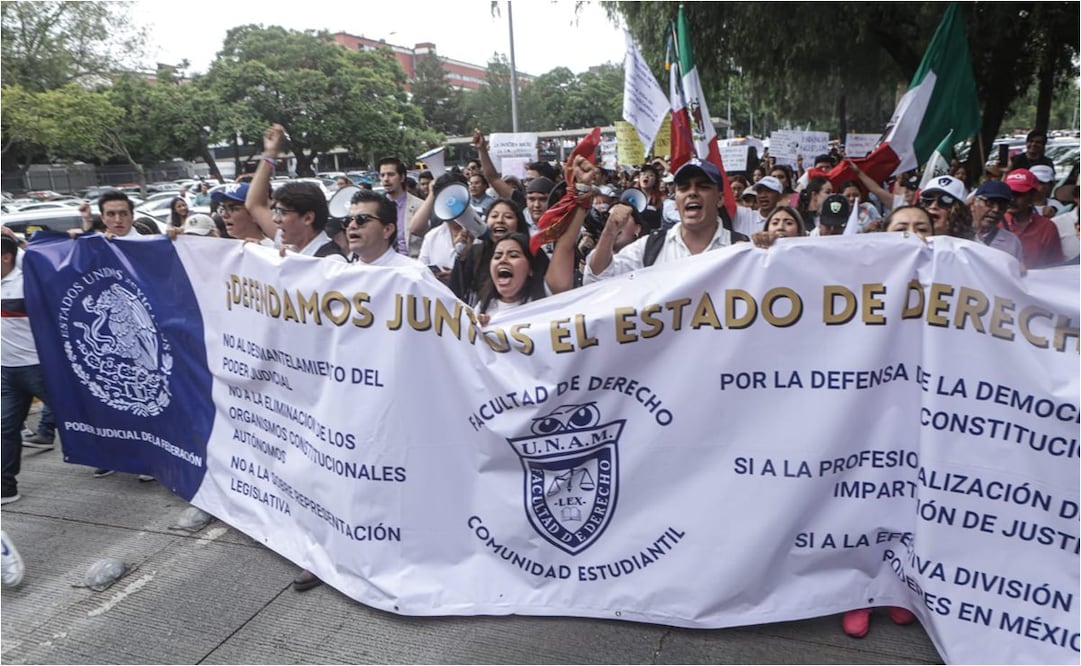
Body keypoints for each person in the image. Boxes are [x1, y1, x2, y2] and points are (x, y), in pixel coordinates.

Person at [584, 159, 734, 282]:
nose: (692, 193)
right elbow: (597, 277)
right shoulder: (650, 248)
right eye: (684, 188)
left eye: (703, 187)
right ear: (675, 200)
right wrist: (610, 230)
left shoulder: (739, 249)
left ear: (720, 199)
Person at [246, 124, 345, 261]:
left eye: (283, 213)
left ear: (308, 218)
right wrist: (270, 153)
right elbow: (254, 204)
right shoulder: (286, 244)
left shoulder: (331, 261)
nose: (275, 219)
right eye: (276, 212)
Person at [1, 236, 51, 504]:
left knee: (76, 417)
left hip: (38, 369)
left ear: (6, 257)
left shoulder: (27, 284)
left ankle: (121, 458)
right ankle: (6, 487)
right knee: (6, 429)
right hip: (7, 373)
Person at [449, 198, 541, 306]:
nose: (500, 220)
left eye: (508, 217)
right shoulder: (474, 252)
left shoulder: (534, 252)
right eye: (494, 216)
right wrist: (462, 256)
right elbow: (456, 291)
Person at [1001, 168, 1063, 268]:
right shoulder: (994, 223)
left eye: (1018, 194)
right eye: (1009, 194)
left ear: (1032, 195)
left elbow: (1056, 267)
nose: (1012, 199)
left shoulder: (1047, 228)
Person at [345, 189, 420, 267]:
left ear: (387, 230)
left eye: (361, 219)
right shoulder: (341, 276)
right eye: (348, 220)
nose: (351, 225)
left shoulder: (414, 274)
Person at [378, 156, 425, 257]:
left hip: (412, 262)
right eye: (382, 175)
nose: (386, 179)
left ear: (402, 177)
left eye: (391, 174)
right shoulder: (376, 207)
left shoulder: (420, 206)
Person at [968, 181, 1024, 262]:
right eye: (990, 203)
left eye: (1002, 206)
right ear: (973, 204)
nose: (996, 210)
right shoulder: (956, 233)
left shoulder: (1011, 242)